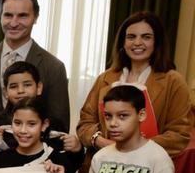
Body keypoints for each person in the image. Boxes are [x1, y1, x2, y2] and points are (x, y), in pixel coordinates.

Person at [76, 11, 191, 158]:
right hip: (101, 165)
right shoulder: (105, 78)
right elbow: (85, 123)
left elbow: (179, 135)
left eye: (146, 37)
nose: (137, 42)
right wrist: (100, 141)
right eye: (131, 37)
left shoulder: (173, 81)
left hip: (148, 170)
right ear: (123, 43)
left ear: (157, 42)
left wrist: (135, 149)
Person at [0, 0, 69, 132]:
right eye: (8, 15)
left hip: (34, 153)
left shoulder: (54, 67)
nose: (13, 23)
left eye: (22, 16)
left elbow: (60, 126)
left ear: (36, 17)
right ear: (0, 16)